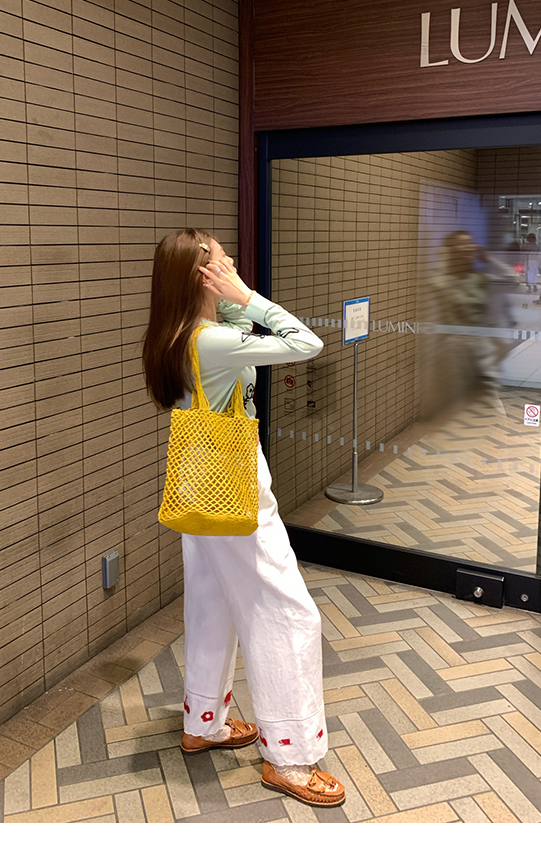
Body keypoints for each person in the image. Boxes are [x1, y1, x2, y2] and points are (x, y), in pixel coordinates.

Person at [142, 229, 346, 808]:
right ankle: (290, 757)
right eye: (220, 258)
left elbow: (250, 335)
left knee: (213, 603)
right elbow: (305, 342)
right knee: (289, 613)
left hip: (197, 484)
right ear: (200, 277)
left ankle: (203, 723)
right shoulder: (212, 341)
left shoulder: (180, 333)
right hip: (235, 490)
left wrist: (231, 299)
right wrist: (248, 296)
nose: (231, 262)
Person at [428, 230, 519, 412]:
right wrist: (445, 259)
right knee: (456, 405)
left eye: (470, 243)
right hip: (454, 350)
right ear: (451, 250)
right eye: (462, 244)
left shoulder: (479, 279)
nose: (469, 247)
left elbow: (513, 281)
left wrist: (489, 259)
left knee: (490, 401)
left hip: (481, 347)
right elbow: (437, 284)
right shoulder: (444, 280)